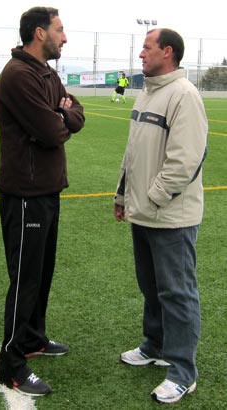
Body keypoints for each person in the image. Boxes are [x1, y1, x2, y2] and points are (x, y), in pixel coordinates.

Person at [114, 28, 208, 404]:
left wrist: (151, 199)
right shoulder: (148, 91)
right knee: (151, 287)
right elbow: (133, 152)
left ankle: (184, 371)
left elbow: (184, 162)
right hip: (143, 212)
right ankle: (154, 345)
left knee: (177, 293)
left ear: (167, 53)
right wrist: (123, 194)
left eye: (147, 48)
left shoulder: (184, 96)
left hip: (171, 216)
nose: (141, 54)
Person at [0, 7, 85, 397]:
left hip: (48, 190)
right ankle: (12, 364)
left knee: (43, 273)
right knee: (26, 278)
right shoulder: (18, 75)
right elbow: (51, 131)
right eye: (60, 30)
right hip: (26, 194)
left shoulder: (48, 73)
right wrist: (59, 116)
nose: (64, 37)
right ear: (38, 33)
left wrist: (64, 114)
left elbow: (76, 115)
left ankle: (33, 338)